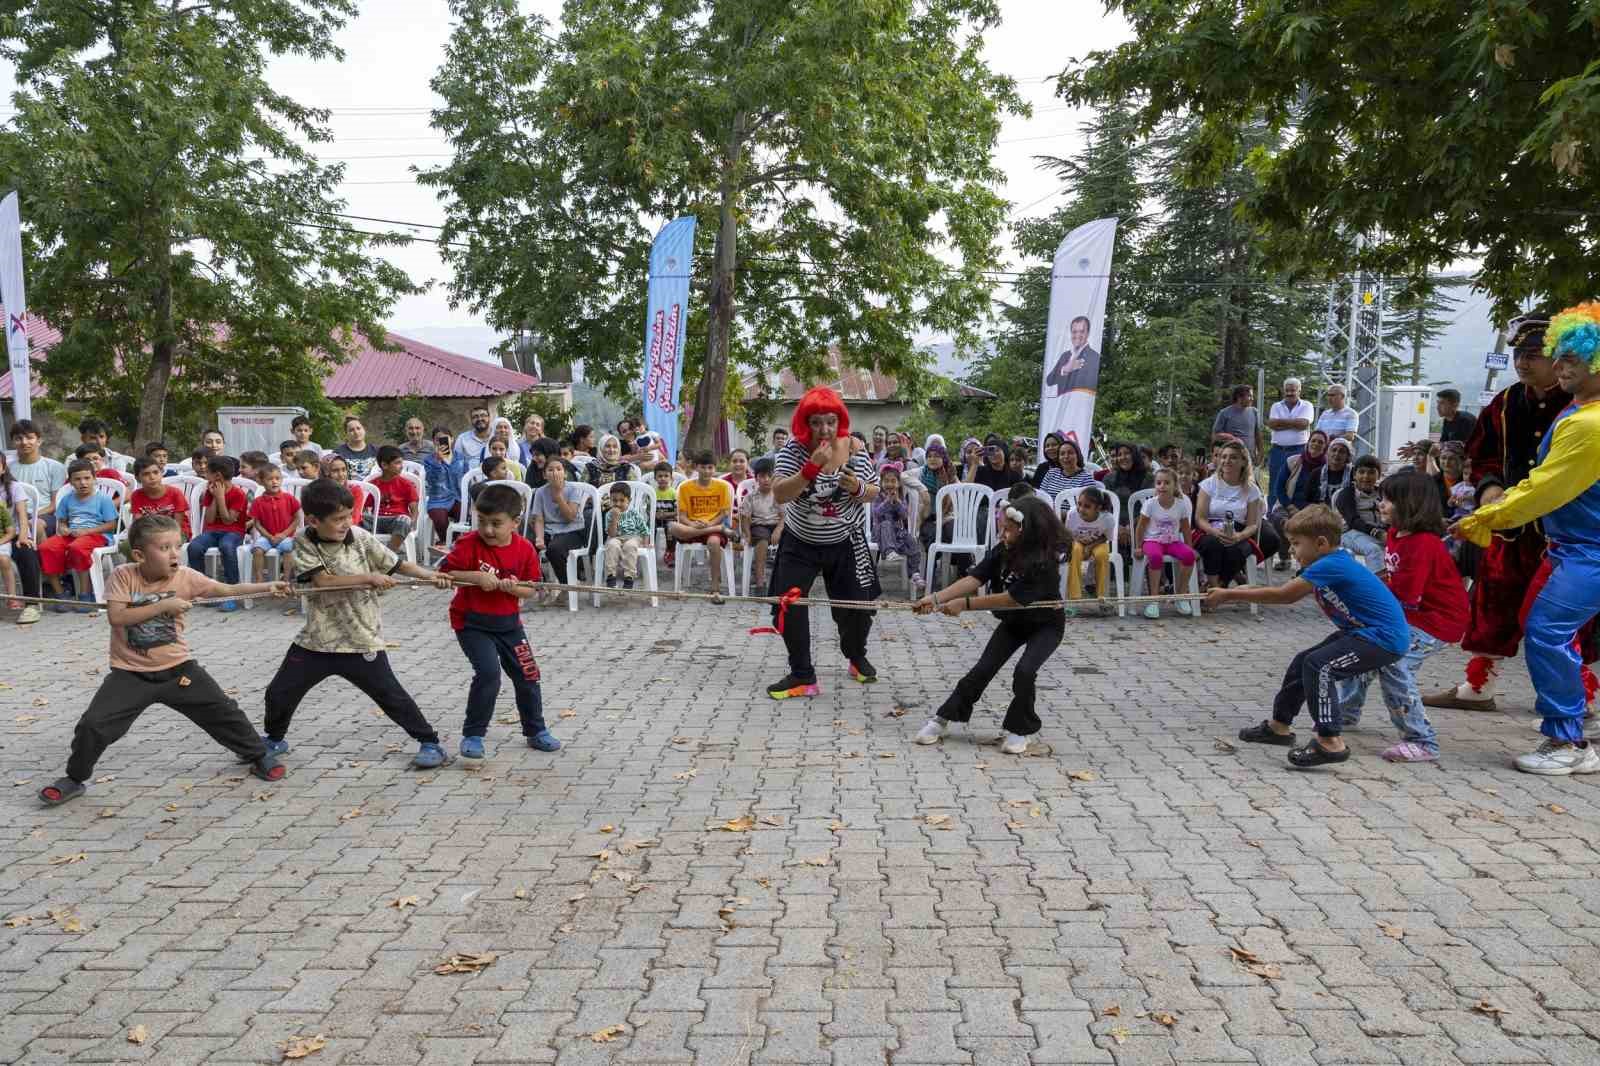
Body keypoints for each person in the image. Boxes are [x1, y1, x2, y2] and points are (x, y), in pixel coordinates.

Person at [36, 514, 290, 806]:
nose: (174, 553)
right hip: (130, 674)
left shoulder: (186, 576)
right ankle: (73, 779)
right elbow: (117, 617)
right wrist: (164, 605)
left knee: (224, 712)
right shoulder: (123, 576)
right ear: (140, 555)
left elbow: (227, 590)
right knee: (93, 725)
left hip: (178, 670)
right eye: (164, 547)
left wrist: (268, 586)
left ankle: (256, 754)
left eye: (177, 545)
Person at [1452, 302, 1600, 774]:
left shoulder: (1587, 424)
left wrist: (1486, 519)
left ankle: (1567, 743)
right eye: (1558, 356)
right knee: (1536, 623)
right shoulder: (1573, 409)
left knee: (1548, 632)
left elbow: (1545, 487)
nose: (1559, 366)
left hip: (1587, 551)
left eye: (1571, 359)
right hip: (1564, 548)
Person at [1424, 311, 1589, 713]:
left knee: (1561, 617)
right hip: (1510, 527)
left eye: (1532, 353)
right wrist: (1490, 488)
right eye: (1518, 353)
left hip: (1568, 531)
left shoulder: (1582, 402)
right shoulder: (1506, 401)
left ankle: (1581, 699)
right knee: (1492, 600)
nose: (1522, 362)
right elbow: (1481, 456)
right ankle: (1478, 687)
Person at [261, 477, 454, 767]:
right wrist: (368, 577)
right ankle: (275, 739)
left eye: (348, 516)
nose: (345, 524)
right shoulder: (303, 541)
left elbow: (397, 564)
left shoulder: (360, 537)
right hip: (317, 640)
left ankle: (430, 743)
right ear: (313, 520)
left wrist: (432, 576)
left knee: (391, 696)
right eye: (337, 519)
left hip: (360, 639)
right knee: (279, 693)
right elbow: (324, 581)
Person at [1213, 505, 1409, 767]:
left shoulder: (1332, 563)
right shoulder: (1325, 562)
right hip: (1361, 633)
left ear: (1321, 543)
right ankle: (1279, 727)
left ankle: (1330, 742)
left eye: (1296, 544)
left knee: (1320, 667)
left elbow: (1286, 595)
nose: (1292, 550)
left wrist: (1230, 594)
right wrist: (1250, 588)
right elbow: (1287, 588)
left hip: (1383, 638)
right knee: (1302, 662)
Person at [911, 495, 1066, 755]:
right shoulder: (1003, 549)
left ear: (1025, 530)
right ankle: (943, 719)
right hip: (1014, 623)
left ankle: (1020, 730)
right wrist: (934, 597)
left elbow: (1012, 599)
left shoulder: (1045, 561)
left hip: (1046, 625)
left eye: (1008, 528)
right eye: (1002, 527)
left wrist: (965, 605)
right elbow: (975, 578)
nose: (1002, 533)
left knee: (1025, 672)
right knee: (983, 668)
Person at [1333, 471, 1468, 763]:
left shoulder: (1422, 544)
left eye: (1388, 500)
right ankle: (1345, 713)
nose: (1381, 505)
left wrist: (1363, 598)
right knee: (1365, 646)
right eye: (1381, 498)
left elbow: (1405, 596)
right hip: (1412, 616)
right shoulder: (1396, 534)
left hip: (1437, 621)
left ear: (1411, 504)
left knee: (1393, 661)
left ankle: (1422, 740)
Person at [766, 387, 882, 698]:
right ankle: (802, 675)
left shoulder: (855, 448)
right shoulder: (792, 450)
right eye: (816, 422)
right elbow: (779, 493)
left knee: (857, 605)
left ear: (839, 421)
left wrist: (857, 486)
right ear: (806, 423)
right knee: (788, 604)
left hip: (846, 540)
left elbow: (874, 491)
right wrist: (810, 469)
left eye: (830, 422)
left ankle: (856, 657)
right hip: (800, 540)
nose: (824, 430)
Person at [439, 482, 557, 758]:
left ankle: (535, 730)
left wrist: (513, 587)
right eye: (482, 521)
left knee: (528, 675)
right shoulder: (468, 544)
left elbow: (529, 590)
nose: (488, 530)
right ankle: (473, 735)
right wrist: (476, 578)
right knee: (489, 674)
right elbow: (445, 574)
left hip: (509, 625)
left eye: (496, 523)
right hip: (472, 623)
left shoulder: (526, 549)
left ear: (515, 522)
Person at [1194, 440, 1277, 589]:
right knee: (1212, 544)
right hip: (1210, 528)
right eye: (1223, 457)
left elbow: (1252, 524)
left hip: (1238, 531)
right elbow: (1200, 518)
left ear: (1243, 461)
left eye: (1233, 457)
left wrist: (1239, 536)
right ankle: (1214, 587)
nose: (1226, 461)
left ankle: (1218, 586)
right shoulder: (1209, 484)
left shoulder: (1252, 490)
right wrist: (1214, 532)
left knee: (1237, 550)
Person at [40, 460, 118, 612]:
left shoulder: (103, 499)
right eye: (77, 479)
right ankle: (60, 594)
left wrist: (87, 532)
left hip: (97, 534)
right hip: (72, 534)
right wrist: (63, 528)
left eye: (87, 478)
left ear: (94, 479)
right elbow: (62, 521)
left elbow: (111, 525)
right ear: (70, 482)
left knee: (77, 547)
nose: (83, 483)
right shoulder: (67, 499)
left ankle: (85, 594)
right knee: (46, 547)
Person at [185, 455, 250, 609]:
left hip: (234, 532)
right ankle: (203, 590)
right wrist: (214, 497)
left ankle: (232, 593)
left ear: (218, 475)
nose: (205, 476)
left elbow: (228, 520)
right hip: (212, 531)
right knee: (194, 547)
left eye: (207, 473)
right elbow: (209, 519)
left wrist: (220, 497)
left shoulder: (238, 494)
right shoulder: (210, 491)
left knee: (226, 547)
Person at [671, 451, 735, 603]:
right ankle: (719, 530)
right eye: (703, 467)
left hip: (713, 524)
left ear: (715, 468)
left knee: (714, 542)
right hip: (692, 526)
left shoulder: (722, 487)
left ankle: (715, 587)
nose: (707, 471)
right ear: (696, 468)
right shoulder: (686, 488)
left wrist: (712, 524)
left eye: (710, 467)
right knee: (672, 526)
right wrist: (693, 524)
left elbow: (724, 513)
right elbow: (683, 516)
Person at [1134, 468, 1196, 620]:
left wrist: (1190, 547)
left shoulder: (1180, 505)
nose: (1162, 486)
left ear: (1175, 485)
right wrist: (1137, 546)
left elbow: (1186, 529)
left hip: (1172, 542)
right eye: (1159, 483)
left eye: (1167, 483)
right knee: (1155, 557)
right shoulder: (1150, 504)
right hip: (1152, 541)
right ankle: (1153, 600)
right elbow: (1140, 527)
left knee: (1188, 556)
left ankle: (1181, 595)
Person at [531, 454, 588, 592]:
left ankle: (567, 587)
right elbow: (538, 519)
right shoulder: (540, 492)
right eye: (550, 470)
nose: (555, 472)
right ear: (544, 475)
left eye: (558, 469)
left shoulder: (574, 489)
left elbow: (570, 517)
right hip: (550, 530)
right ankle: (540, 585)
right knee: (527, 547)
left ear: (565, 473)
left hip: (573, 530)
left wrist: (558, 495)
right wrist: (538, 537)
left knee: (554, 550)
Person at [2, 450, 43, 624]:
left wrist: (23, 537)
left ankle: (32, 605)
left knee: (26, 552)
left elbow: (22, 516)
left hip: (15, 533)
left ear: (3, 468)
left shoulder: (13, 487)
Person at [9, 420, 66, 536]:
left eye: (30, 438)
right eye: (18, 438)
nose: (24, 442)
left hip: (46, 516)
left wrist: (32, 516)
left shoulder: (55, 467)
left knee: (35, 524)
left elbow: (55, 504)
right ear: (13, 442)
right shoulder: (8, 469)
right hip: (15, 516)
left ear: (39, 441)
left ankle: (44, 553)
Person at [871, 464, 923, 593]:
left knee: (911, 540)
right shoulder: (878, 497)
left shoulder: (901, 498)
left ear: (899, 483)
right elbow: (877, 513)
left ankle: (914, 573)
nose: (889, 484)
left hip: (897, 534)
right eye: (886, 481)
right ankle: (889, 552)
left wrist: (898, 502)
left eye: (893, 481)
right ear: (881, 483)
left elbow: (905, 516)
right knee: (887, 524)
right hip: (880, 532)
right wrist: (887, 501)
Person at [1064, 484, 1114, 615]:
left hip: (1097, 542)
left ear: (1098, 508)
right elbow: (1068, 535)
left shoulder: (1107, 518)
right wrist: (1081, 545)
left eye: (1087, 506)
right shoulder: (1072, 514)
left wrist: (1090, 546)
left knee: (1102, 555)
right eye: (1079, 504)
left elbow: (1106, 537)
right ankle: (1074, 598)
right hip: (1077, 541)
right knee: (1074, 552)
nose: (1081, 509)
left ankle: (1101, 598)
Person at [247, 463, 301, 582]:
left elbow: (297, 519)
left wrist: (284, 534)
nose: (274, 482)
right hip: (267, 537)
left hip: (286, 536)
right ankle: (259, 579)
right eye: (270, 479)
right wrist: (269, 536)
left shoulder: (289, 498)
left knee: (288, 549)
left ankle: (286, 578)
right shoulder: (258, 502)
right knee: (257, 549)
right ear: (261, 481)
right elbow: (257, 523)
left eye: (277, 478)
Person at [1266, 378, 1314, 509]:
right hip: (1278, 450)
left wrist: (1281, 423)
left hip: (1299, 451)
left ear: (1299, 390)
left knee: (1296, 483)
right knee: (1275, 483)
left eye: (1292, 390)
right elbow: (1272, 425)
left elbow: (1304, 424)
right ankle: (1272, 514)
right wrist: (1294, 423)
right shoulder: (1276, 406)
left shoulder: (1307, 405)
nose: (1289, 393)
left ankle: (1294, 513)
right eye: (1287, 390)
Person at [1336, 454, 1386, 572]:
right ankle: (1377, 587)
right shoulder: (1346, 494)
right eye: (1361, 472)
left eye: (1371, 472)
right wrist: (1379, 534)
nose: (1366, 476)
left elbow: (1391, 516)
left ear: (1378, 475)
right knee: (1373, 550)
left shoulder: (1382, 493)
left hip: (1377, 534)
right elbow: (1353, 521)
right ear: (1354, 475)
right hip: (1351, 534)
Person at [1101, 442, 1152, 557]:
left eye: (1127, 453)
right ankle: (1115, 575)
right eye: (1119, 454)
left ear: (1135, 455)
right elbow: (1105, 507)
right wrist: (1118, 527)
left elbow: (1150, 507)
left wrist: (1131, 527)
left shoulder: (1148, 478)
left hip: (1142, 525)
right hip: (1114, 525)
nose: (1122, 457)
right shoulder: (1109, 478)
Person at [742, 457, 784, 591]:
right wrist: (747, 535)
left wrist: (778, 530)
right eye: (762, 476)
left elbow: (784, 517)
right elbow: (745, 518)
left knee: (791, 539)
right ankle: (760, 581)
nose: (766, 479)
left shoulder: (779, 495)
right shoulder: (751, 497)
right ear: (756, 478)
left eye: (770, 476)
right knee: (762, 541)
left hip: (777, 525)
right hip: (759, 526)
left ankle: (784, 581)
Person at [369, 445, 419, 554]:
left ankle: (388, 555)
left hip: (396, 521)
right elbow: (363, 507)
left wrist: (412, 522)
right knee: (357, 519)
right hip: (377, 520)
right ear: (384, 465)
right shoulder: (373, 484)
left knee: (405, 520)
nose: (401, 466)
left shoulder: (407, 484)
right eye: (397, 463)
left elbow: (414, 510)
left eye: (401, 463)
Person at [424, 429, 469, 547]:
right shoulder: (429, 460)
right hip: (438, 499)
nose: (441, 441)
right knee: (439, 518)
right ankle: (448, 542)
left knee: (464, 515)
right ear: (434, 441)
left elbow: (466, 477)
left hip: (458, 497)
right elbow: (431, 479)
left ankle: (455, 542)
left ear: (452, 439)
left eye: (445, 438)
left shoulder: (461, 458)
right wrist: (438, 461)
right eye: (438, 439)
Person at [602, 481, 650, 590]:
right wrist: (614, 519)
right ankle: (611, 576)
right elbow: (611, 534)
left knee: (630, 546)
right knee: (612, 545)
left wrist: (646, 544)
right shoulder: (609, 514)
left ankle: (629, 577)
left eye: (622, 500)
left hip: (633, 537)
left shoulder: (634, 513)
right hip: (616, 537)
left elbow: (644, 530)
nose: (618, 504)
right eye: (614, 500)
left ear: (629, 500)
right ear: (610, 500)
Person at [1044, 315, 1101, 395]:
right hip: (1062, 406)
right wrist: (1065, 369)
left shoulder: (1094, 357)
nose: (1077, 335)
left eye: (1082, 331)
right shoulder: (1065, 355)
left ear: (1088, 333)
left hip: (1080, 405)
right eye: (1074, 332)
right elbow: (1049, 381)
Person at [1212, 385, 1262, 460]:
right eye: (1249, 396)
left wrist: (1260, 452)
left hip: (1250, 457)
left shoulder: (1254, 412)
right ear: (1239, 397)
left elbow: (1257, 434)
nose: (1252, 399)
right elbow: (1216, 435)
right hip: (1231, 457)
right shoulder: (1224, 413)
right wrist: (1232, 438)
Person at [319, 453, 367, 526]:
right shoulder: (318, 491)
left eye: (344, 470)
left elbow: (354, 519)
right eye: (335, 471)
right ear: (325, 472)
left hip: (349, 529)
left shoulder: (355, 491)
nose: (341, 474)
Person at [333, 416, 379, 481]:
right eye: (351, 430)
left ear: (364, 430)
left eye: (358, 428)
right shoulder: (338, 453)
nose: (356, 432)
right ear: (346, 434)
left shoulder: (377, 451)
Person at [650, 461, 677, 563]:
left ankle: (670, 551)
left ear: (671, 478)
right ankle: (650, 548)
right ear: (655, 478)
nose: (663, 478)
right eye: (660, 476)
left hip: (669, 519)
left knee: (670, 529)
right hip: (656, 519)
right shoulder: (652, 492)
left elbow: (677, 511)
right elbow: (648, 509)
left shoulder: (673, 493)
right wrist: (655, 515)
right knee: (650, 527)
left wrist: (666, 515)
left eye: (666, 476)